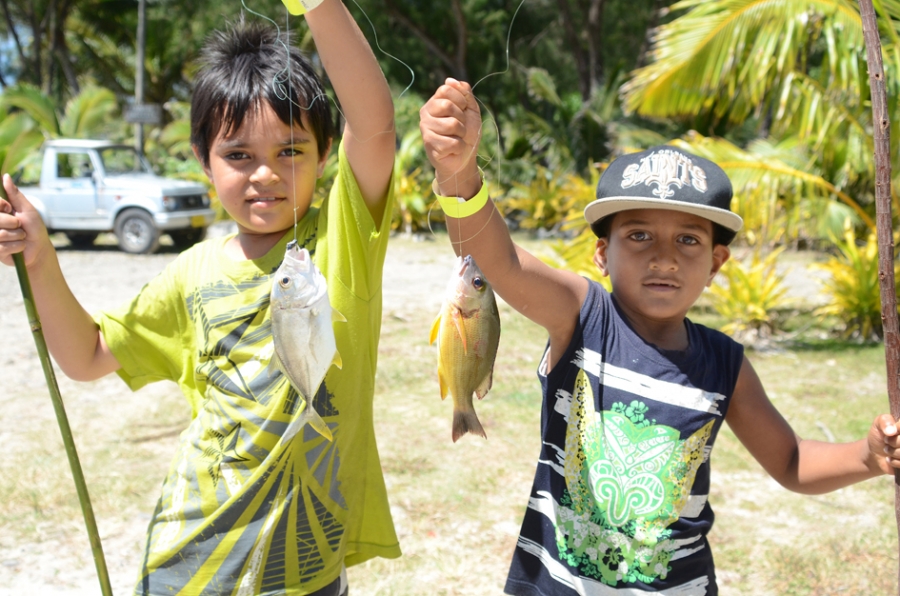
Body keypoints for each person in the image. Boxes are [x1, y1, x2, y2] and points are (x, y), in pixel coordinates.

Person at [419, 77, 900, 595]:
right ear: (603, 254)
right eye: (639, 235)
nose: (664, 257)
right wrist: (460, 173)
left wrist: (867, 457)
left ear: (716, 262)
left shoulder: (724, 364)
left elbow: (789, 461)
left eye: (688, 240)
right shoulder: (582, 318)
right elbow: (501, 265)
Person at [0, 2, 399, 594]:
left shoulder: (343, 238)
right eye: (238, 155)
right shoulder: (190, 274)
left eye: (290, 151)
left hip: (304, 567)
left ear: (325, 155)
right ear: (202, 163)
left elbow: (375, 124)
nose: (264, 174)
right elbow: (86, 356)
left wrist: (317, 5)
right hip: (188, 561)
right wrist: (40, 260)